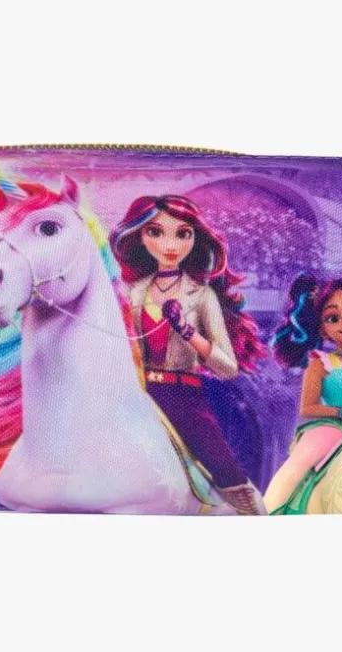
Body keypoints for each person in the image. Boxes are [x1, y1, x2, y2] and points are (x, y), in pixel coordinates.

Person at [111, 195, 266, 515]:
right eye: (155, 232)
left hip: (184, 399)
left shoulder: (202, 295)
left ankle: (251, 515)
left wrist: (188, 332)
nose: (170, 245)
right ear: (140, 237)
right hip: (138, 396)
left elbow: (228, 368)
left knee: (227, 472)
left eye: (182, 234)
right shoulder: (131, 292)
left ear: (196, 239)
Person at [264, 265, 342, 514]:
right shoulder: (321, 363)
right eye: (333, 318)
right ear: (322, 328)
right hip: (330, 427)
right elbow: (308, 407)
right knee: (305, 457)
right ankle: (274, 506)